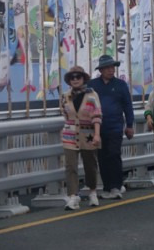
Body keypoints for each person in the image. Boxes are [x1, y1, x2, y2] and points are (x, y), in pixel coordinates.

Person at [88, 55, 134, 200]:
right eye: (107, 67)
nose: (110, 70)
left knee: (114, 154)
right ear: (100, 70)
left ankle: (116, 186)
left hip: (115, 126)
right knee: (102, 158)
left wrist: (130, 125)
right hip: (97, 128)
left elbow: (127, 105)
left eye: (112, 67)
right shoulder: (92, 85)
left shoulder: (120, 85)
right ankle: (107, 187)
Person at [60, 66, 102, 210]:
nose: (75, 79)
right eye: (72, 77)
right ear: (69, 81)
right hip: (69, 135)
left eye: (78, 77)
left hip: (88, 134)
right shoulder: (65, 96)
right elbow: (65, 114)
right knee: (70, 166)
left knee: (90, 165)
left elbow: (97, 116)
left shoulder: (92, 95)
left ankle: (92, 191)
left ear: (84, 79)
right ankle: (73, 196)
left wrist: (97, 134)